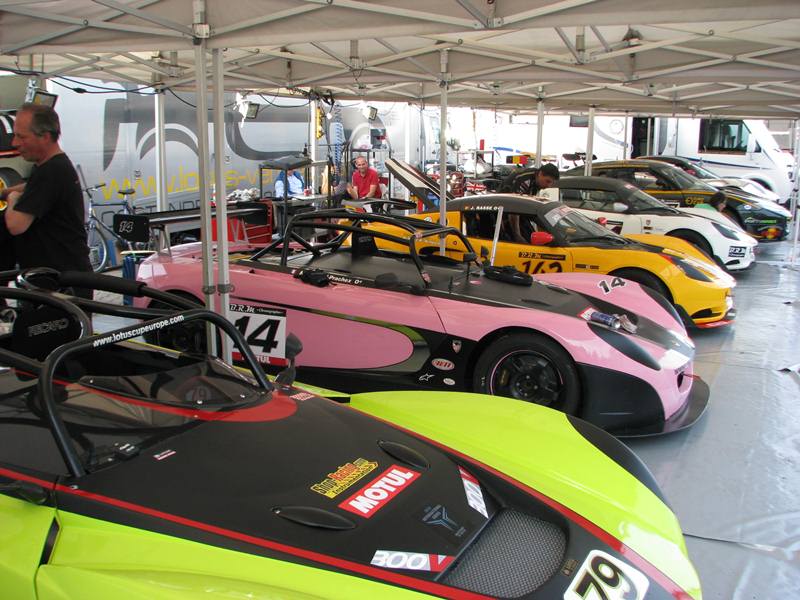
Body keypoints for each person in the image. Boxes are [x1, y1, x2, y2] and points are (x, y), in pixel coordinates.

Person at [2, 103, 93, 297]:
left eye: (21, 137)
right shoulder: (51, 166)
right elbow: (32, 188)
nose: (15, 143)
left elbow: (16, 225)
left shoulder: (51, 171)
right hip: (57, 277)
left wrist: (12, 198)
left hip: (60, 282)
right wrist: (6, 191)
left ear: (44, 136)